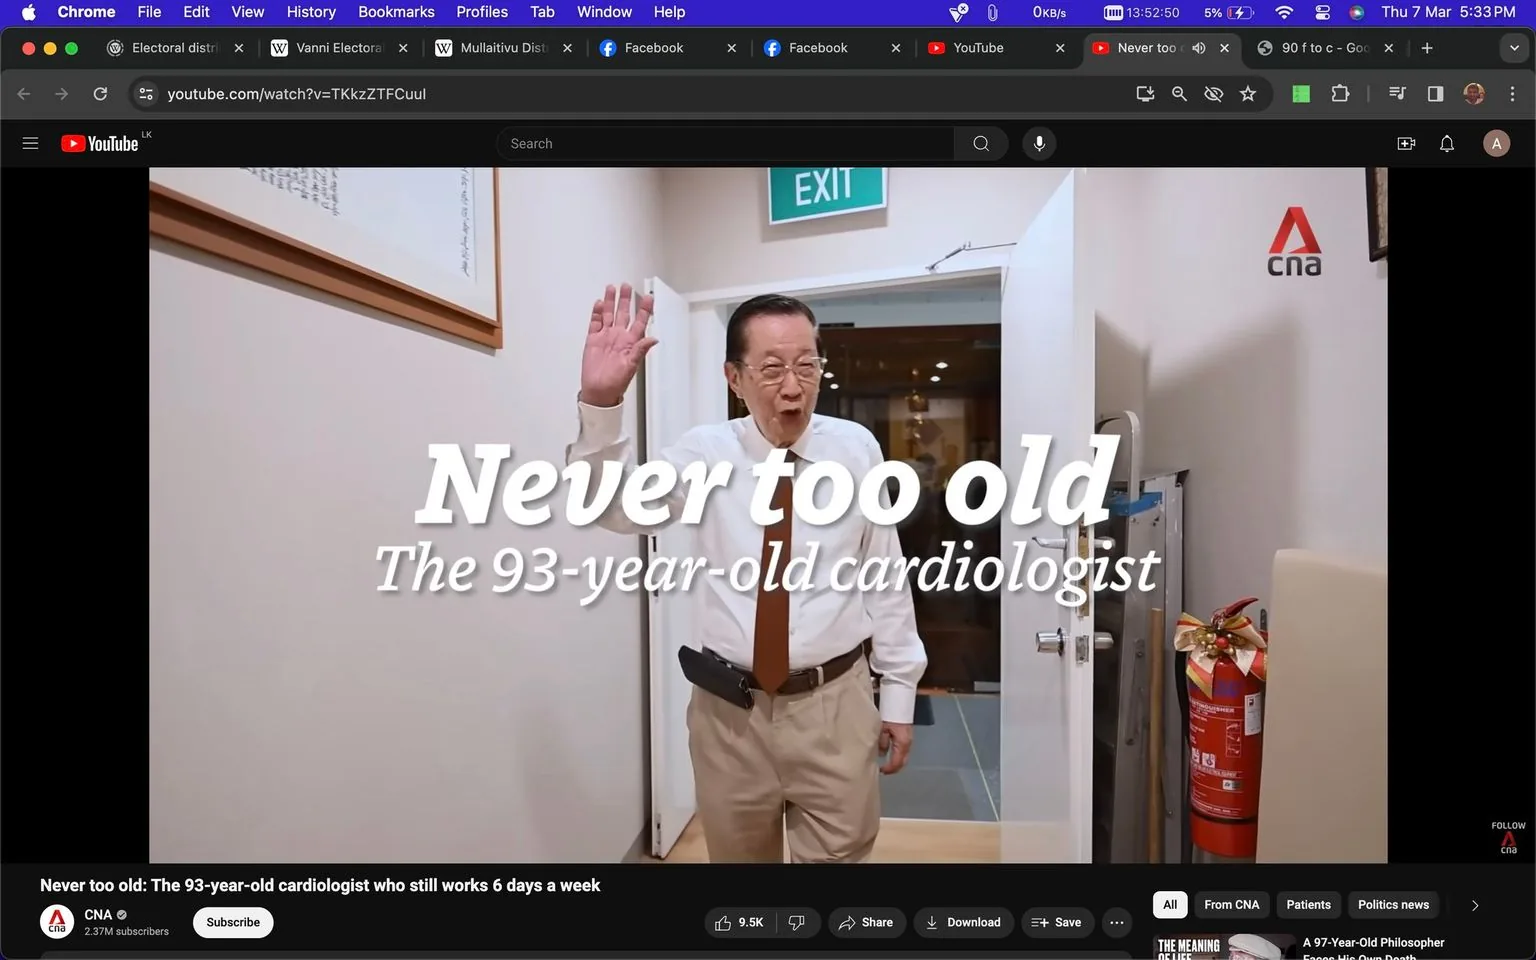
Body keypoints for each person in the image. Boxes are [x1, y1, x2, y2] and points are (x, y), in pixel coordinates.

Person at [567, 284, 928, 863]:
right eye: (771, 369)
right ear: (733, 378)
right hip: (730, 717)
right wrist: (601, 404)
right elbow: (611, 508)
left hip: (834, 705)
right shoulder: (704, 454)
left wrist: (900, 695)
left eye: (806, 365)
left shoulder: (856, 449)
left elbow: (884, 576)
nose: (793, 386)